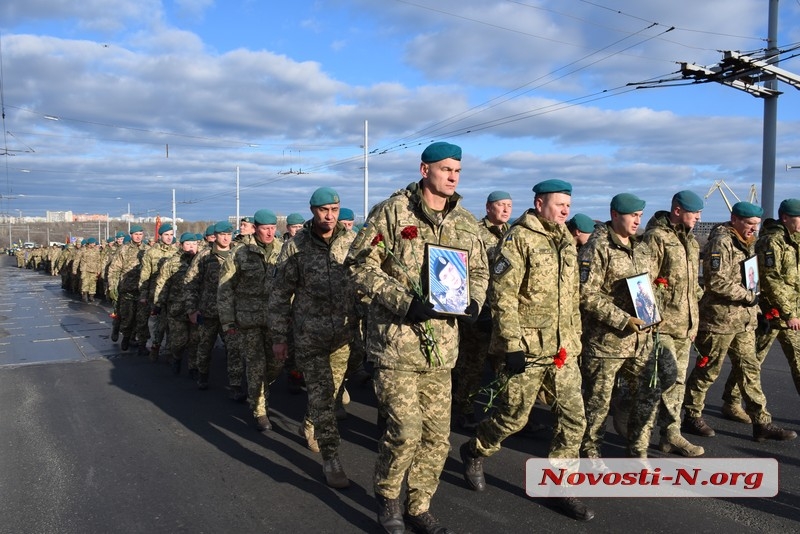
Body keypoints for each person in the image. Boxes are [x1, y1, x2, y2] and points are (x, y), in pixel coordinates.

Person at [346, 141, 488, 534]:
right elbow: (358, 266)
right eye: (446, 169)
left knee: (437, 438)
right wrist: (402, 301)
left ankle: (419, 504)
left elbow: (479, 271)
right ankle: (388, 496)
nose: (453, 176)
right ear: (425, 170)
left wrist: (475, 300)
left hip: (442, 349)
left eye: (458, 170)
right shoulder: (392, 212)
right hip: (397, 344)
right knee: (404, 431)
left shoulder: (466, 221)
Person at [459, 179, 594, 521]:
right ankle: (475, 450)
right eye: (558, 203)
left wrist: (574, 339)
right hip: (528, 349)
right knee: (513, 417)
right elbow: (502, 296)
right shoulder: (518, 239)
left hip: (562, 349)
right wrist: (511, 346)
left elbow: (571, 299)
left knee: (574, 418)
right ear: (538, 203)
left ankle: (559, 486)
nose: (565, 209)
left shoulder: (565, 239)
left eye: (568, 204)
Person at [682, 202, 796, 442]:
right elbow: (716, 281)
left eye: (756, 225)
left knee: (750, 370)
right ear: (734, 219)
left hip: (745, 321)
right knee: (708, 370)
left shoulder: (750, 244)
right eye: (749, 224)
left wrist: (758, 311)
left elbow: (752, 278)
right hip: (719, 321)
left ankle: (761, 423)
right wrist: (749, 297)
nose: (753, 229)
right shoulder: (721, 242)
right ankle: (692, 415)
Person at [269, 187, 357, 489]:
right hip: (310, 335)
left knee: (331, 395)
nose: (330, 216)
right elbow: (280, 295)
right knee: (322, 395)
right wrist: (279, 337)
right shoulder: (295, 247)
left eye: (334, 209)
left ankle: (310, 423)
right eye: (323, 210)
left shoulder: (352, 243)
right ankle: (331, 459)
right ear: (312, 210)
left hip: (343, 335)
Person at [578, 193, 661, 459]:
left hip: (639, 342)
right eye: (632, 215)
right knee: (597, 404)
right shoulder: (597, 247)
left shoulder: (642, 248)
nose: (638, 221)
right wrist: (622, 319)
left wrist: (653, 312)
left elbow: (647, 285)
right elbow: (585, 293)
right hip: (606, 342)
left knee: (647, 395)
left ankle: (638, 450)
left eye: (639, 215)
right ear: (615, 215)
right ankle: (590, 453)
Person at [640, 190, 705, 457]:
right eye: (694, 213)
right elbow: (643, 282)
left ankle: (670, 435)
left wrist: (694, 320)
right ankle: (639, 438)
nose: (699, 218)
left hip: (685, 326)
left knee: (677, 383)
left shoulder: (691, 243)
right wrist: (649, 322)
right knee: (661, 382)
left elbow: (690, 286)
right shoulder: (657, 238)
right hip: (663, 326)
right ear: (677, 211)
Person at [724, 199, 800, 419]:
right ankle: (731, 401)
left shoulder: (794, 241)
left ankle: (732, 400)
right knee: (751, 361)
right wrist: (788, 313)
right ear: (785, 218)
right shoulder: (771, 241)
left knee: (792, 360)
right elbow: (770, 279)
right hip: (773, 313)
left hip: (790, 312)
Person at [219, 209, 284, 431]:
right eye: (265, 228)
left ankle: (260, 391)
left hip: (275, 320)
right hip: (248, 320)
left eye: (273, 228)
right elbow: (225, 289)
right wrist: (228, 322)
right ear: (255, 228)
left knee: (275, 365)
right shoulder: (240, 253)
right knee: (256, 365)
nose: (269, 232)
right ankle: (260, 411)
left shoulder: (283, 251)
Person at [453, 190, 512, 430]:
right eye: (501, 205)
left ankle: (506, 415)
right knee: (473, 364)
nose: (506, 210)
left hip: (504, 311)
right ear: (489, 208)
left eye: (509, 205)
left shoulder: (513, 234)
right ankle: (463, 408)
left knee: (505, 367)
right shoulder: (475, 232)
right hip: (481, 309)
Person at [184, 221, 235, 390]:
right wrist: (191, 309)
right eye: (222, 235)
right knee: (205, 346)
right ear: (216, 236)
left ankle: (235, 385)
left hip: (231, 312)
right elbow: (191, 282)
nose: (226, 238)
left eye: (229, 234)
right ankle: (203, 375)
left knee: (234, 349)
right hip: (208, 312)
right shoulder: (205, 256)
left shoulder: (238, 253)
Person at [153, 232, 199, 375]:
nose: (191, 247)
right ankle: (176, 356)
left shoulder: (201, 261)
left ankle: (193, 368)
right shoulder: (171, 263)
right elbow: (162, 284)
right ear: (181, 245)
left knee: (195, 340)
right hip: (177, 308)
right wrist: (158, 303)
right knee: (179, 341)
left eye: (194, 244)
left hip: (196, 307)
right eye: (188, 244)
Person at [138, 223, 177, 359]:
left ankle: (170, 351)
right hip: (156, 294)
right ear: (160, 236)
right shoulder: (151, 252)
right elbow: (145, 276)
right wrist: (143, 295)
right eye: (166, 235)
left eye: (171, 235)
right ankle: (155, 346)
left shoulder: (176, 251)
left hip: (173, 295)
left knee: (172, 325)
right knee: (159, 325)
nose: (169, 238)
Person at [108, 225, 149, 352]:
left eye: (140, 234)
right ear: (131, 235)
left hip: (142, 290)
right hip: (127, 289)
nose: (138, 236)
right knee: (127, 317)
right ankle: (126, 336)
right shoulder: (124, 249)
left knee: (141, 319)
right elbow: (114, 269)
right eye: (136, 234)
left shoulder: (148, 250)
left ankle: (138, 341)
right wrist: (112, 287)